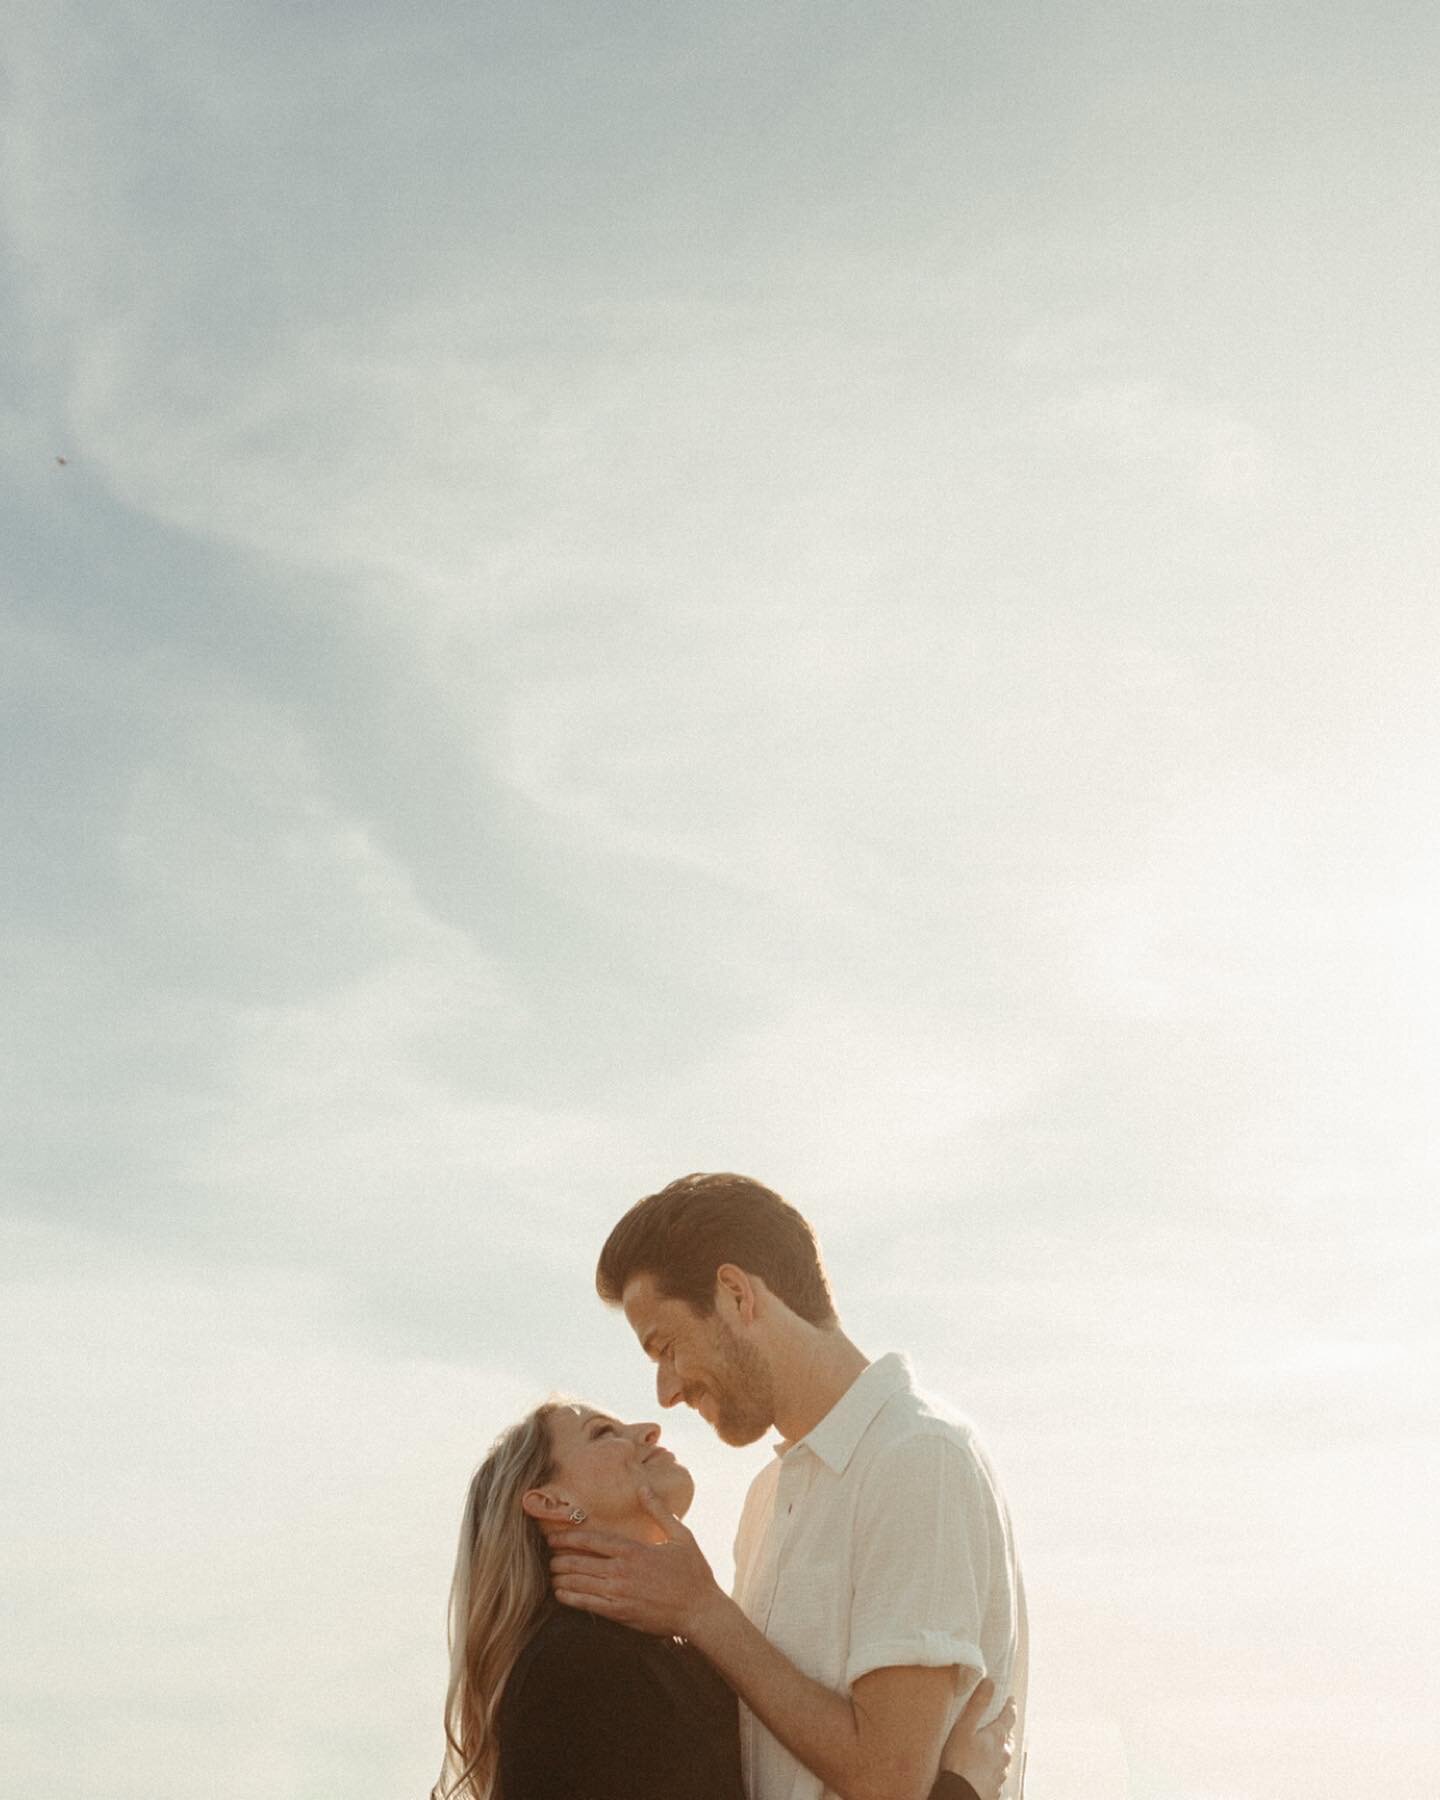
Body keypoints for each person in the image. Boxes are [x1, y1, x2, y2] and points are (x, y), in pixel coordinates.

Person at [550, 1171, 1029, 1800]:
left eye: (666, 1348)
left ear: (736, 1295)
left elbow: (889, 1782)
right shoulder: (767, 1497)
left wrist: (703, 1610)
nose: (666, 1392)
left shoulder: (917, 1457)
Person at [432, 1396, 1014, 1800]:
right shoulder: (577, 1668)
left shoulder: (645, 1654)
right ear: (552, 1504)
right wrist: (959, 1790)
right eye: (603, 1432)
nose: (649, 1429)